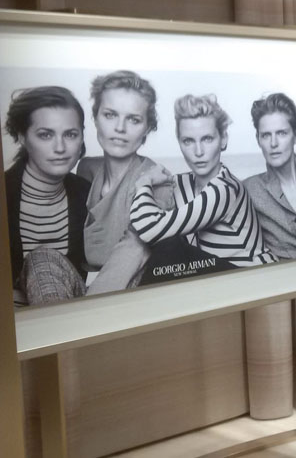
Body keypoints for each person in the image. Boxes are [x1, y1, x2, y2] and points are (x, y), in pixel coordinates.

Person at [19, 71, 174, 304]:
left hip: (128, 293)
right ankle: (61, 321)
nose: (120, 128)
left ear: (147, 129)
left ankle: (72, 323)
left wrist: (89, 309)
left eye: (133, 119)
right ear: (95, 118)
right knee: (41, 257)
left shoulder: (157, 180)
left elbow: (135, 250)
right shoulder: (86, 168)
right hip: (83, 288)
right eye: (110, 115)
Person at [130, 94, 276, 268]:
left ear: (223, 139)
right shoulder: (179, 184)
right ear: (179, 143)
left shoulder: (225, 189)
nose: (198, 151)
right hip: (214, 274)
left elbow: (150, 230)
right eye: (188, 141)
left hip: (253, 275)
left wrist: (144, 183)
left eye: (207, 139)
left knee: (169, 246)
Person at [4, 87, 91, 305]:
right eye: (45, 135)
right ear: (22, 137)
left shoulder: (87, 194)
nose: (60, 147)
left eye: (70, 134)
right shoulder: (5, 193)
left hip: (71, 311)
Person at [243, 93, 296, 258]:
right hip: (286, 271)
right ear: (258, 139)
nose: (273, 143)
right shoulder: (250, 189)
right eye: (266, 135)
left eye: (282, 133)